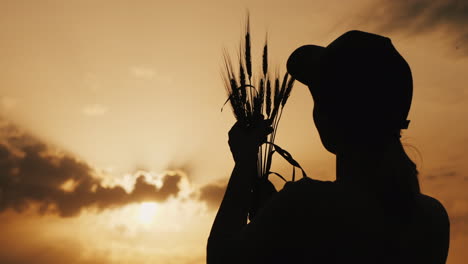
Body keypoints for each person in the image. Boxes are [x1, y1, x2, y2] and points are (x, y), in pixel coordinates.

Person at [207, 30, 450, 264]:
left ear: (328, 117)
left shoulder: (303, 206)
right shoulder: (433, 219)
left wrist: (245, 163)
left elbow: (221, 257)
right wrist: (272, 219)